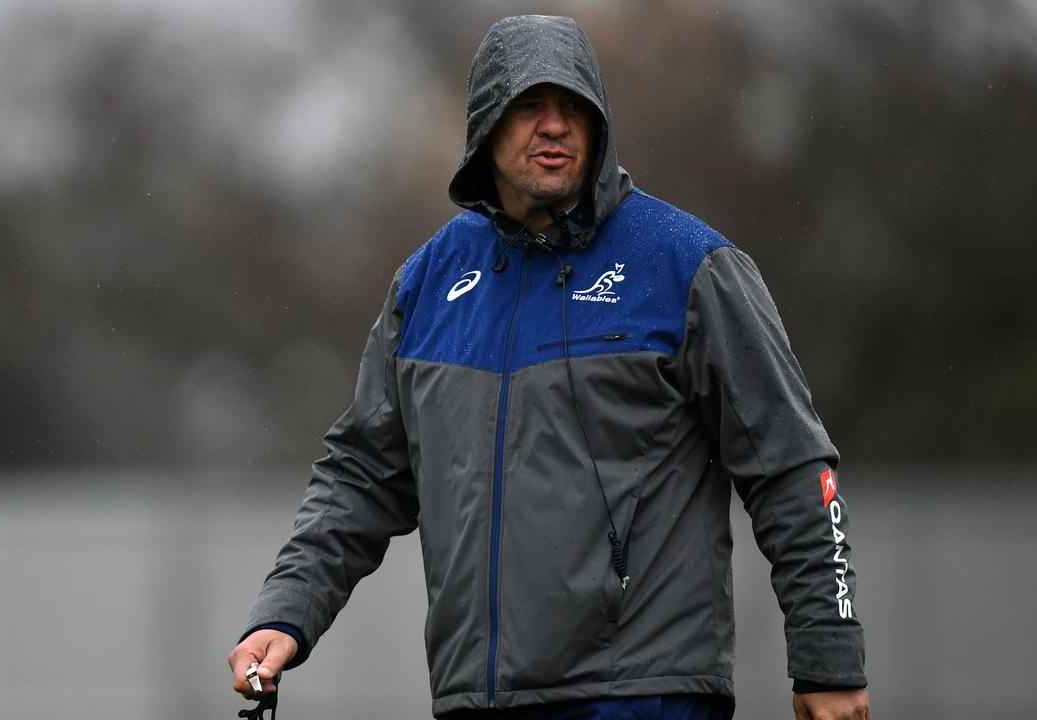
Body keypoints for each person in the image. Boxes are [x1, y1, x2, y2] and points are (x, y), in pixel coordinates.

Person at [229, 14, 869, 720]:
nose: (555, 126)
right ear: (485, 125)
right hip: (476, 700)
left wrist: (827, 659)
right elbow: (360, 475)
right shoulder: (427, 284)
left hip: (643, 697)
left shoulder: (688, 266)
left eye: (574, 108)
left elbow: (793, 467)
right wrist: (284, 614)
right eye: (529, 105)